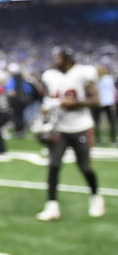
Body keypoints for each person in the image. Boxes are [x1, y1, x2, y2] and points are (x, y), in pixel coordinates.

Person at [36, 47, 104, 221]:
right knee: (53, 166)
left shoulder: (82, 73)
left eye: (58, 57)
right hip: (59, 128)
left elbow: (96, 100)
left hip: (80, 127)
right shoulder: (50, 75)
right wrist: (46, 109)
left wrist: (74, 102)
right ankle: (52, 206)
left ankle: (96, 197)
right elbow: (49, 97)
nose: (55, 59)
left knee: (85, 167)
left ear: (67, 59)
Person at [93, 63, 116, 147]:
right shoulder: (109, 78)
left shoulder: (97, 79)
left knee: (97, 122)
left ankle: (98, 139)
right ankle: (113, 139)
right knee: (112, 122)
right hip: (109, 102)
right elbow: (112, 90)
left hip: (100, 102)